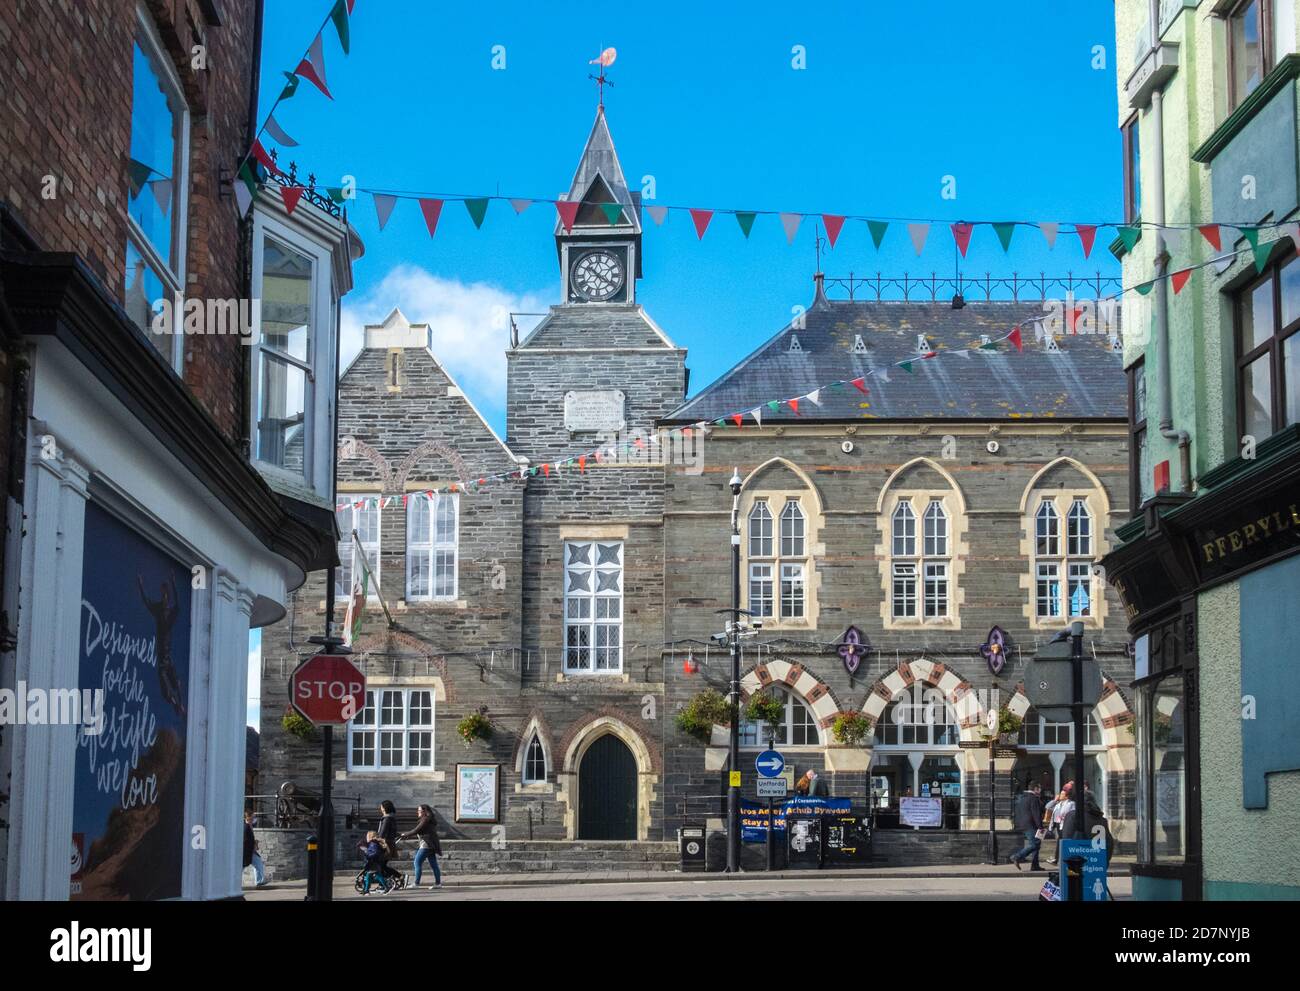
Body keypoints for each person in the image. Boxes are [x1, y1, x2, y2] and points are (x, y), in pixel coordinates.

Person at [1061, 782, 1115, 860]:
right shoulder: (1102, 820)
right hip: (1097, 864)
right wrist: (1103, 863)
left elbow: (1067, 841)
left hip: (1077, 864)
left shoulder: (1073, 816)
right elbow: (1109, 844)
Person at [400, 803, 443, 889]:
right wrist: (407, 835)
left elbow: (416, 830)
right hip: (431, 845)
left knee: (417, 862)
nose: (417, 812)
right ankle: (438, 883)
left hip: (426, 845)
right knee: (434, 864)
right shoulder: (428, 819)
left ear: (425, 811)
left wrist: (405, 834)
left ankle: (416, 883)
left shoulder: (425, 820)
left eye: (419, 810)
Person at [1009, 783, 1044, 870]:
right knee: (1034, 844)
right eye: (1040, 789)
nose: (1041, 791)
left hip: (1022, 824)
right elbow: (1036, 814)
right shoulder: (1033, 798)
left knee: (1037, 844)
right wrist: (1040, 826)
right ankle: (1016, 856)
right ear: (1036, 789)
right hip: (1030, 825)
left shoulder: (1021, 798)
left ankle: (1035, 865)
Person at [375, 800, 403, 884]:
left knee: (380, 866)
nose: (380, 808)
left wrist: (375, 840)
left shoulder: (387, 819)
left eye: (381, 806)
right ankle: (397, 877)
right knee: (382, 865)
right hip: (390, 844)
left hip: (385, 845)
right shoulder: (391, 818)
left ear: (384, 808)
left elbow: (382, 833)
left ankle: (387, 882)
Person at [243, 810, 268, 887]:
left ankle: (259, 881)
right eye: (253, 817)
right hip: (247, 851)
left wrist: (254, 842)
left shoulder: (249, 826)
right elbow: (245, 840)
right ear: (248, 817)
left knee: (258, 863)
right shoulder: (245, 826)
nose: (254, 818)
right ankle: (234, 882)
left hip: (251, 851)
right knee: (242, 866)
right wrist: (253, 845)